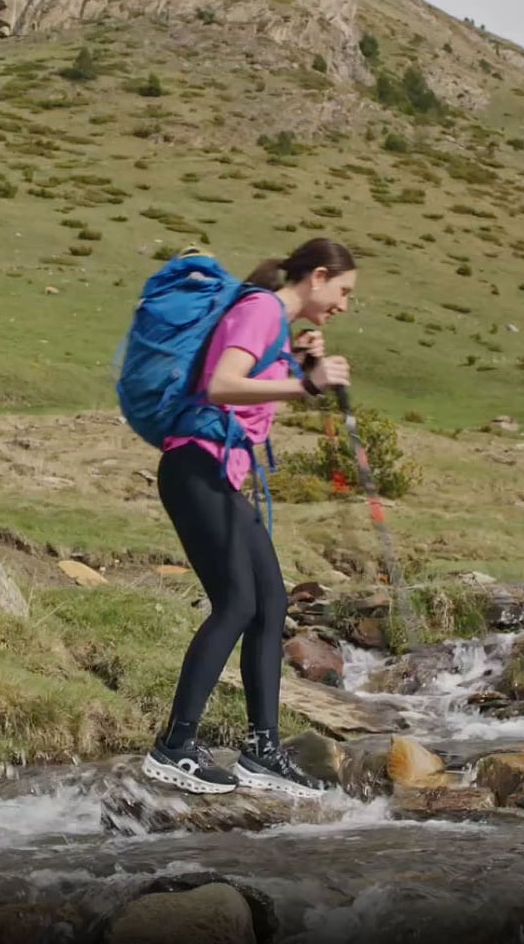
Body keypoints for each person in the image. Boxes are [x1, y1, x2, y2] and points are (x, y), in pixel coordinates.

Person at [142, 238, 357, 799]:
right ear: (317, 276)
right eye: (343, 291)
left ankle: (262, 751)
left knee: (271, 604)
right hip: (195, 467)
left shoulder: (275, 326)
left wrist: (298, 366)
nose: (343, 304)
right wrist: (305, 381)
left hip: (217, 476)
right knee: (237, 603)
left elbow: (256, 403)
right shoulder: (260, 309)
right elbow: (221, 384)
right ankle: (174, 746)